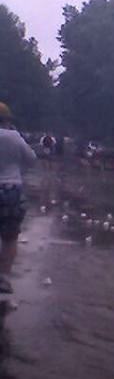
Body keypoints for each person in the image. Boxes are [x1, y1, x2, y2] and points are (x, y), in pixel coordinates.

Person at [0, 102, 37, 293]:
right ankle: (4, 278)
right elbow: (31, 160)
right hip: (11, 190)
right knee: (10, 237)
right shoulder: (14, 137)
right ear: (7, 120)